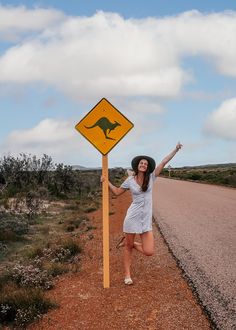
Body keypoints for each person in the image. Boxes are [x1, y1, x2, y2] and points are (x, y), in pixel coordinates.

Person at [102, 142, 183, 285]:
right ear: (137, 165)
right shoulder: (129, 180)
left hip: (145, 221)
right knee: (128, 247)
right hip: (132, 218)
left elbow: (164, 162)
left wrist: (175, 150)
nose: (143, 165)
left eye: (145, 164)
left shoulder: (151, 178)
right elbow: (116, 192)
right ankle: (127, 275)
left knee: (149, 251)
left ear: (147, 167)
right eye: (141, 163)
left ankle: (129, 242)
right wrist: (106, 182)